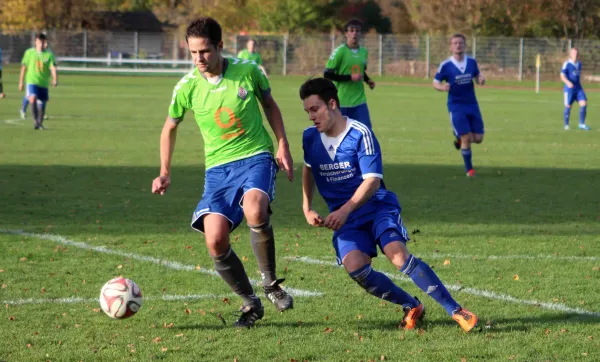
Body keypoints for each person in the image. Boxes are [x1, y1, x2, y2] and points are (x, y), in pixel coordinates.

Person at [300, 77, 479, 333]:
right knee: (356, 268)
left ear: (332, 104)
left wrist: (344, 210)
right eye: (307, 111)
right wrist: (307, 207)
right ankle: (412, 306)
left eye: (314, 109)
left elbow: (372, 181)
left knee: (397, 255)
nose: (311, 117)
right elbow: (308, 170)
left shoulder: (360, 133)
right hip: (347, 219)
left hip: (376, 207)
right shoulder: (310, 138)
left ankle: (456, 310)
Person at [151, 17, 294, 328]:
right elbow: (169, 127)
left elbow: (270, 105)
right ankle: (250, 302)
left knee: (255, 209)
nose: (199, 59)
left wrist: (282, 144)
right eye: (193, 53)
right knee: (215, 240)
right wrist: (164, 171)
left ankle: (270, 284)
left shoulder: (248, 71)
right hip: (218, 170)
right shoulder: (187, 87)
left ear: (219, 46)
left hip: (255, 157)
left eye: (204, 51)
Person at [433, 34, 485, 177]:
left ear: (465, 45)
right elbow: (435, 82)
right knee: (467, 138)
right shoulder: (446, 65)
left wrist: (480, 79)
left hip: (472, 104)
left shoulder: (472, 62)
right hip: (456, 106)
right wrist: (442, 87)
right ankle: (469, 170)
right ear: (451, 46)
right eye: (455, 43)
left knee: (479, 138)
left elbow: (477, 76)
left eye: (460, 43)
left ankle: (460, 140)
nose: (458, 45)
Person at [324, 19, 375, 128]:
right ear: (346, 33)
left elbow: (361, 71)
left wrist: (367, 80)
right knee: (341, 135)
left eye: (357, 30)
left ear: (361, 33)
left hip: (359, 101)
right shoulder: (340, 52)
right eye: (351, 30)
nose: (354, 33)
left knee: (366, 132)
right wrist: (350, 78)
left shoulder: (363, 52)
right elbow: (327, 74)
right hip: (341, 102)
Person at [19, 33, 57, 130]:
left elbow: (52, 67)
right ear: (35, 42)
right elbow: (24, 67)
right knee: (32, 98)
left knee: (42, 105)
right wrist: (21, 82)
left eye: (43, 42)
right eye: (39, 42)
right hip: (32, 81)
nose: (41, 44)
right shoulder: (29, 53)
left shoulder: (49, 54)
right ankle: (35, 122)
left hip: (43, 83)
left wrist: (55, 78)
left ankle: (40, 123)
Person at [561, 48, 591, 131]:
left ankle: (582, 124)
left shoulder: (579, 64)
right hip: (569, 89)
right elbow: (562, 76)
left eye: (576, 53)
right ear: (570, 54)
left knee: (584, 104)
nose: (575, 55)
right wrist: (568, 82)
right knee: (568, 106)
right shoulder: (566, 64)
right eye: (574, 53)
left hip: (578, 88)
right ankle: (566, 125)